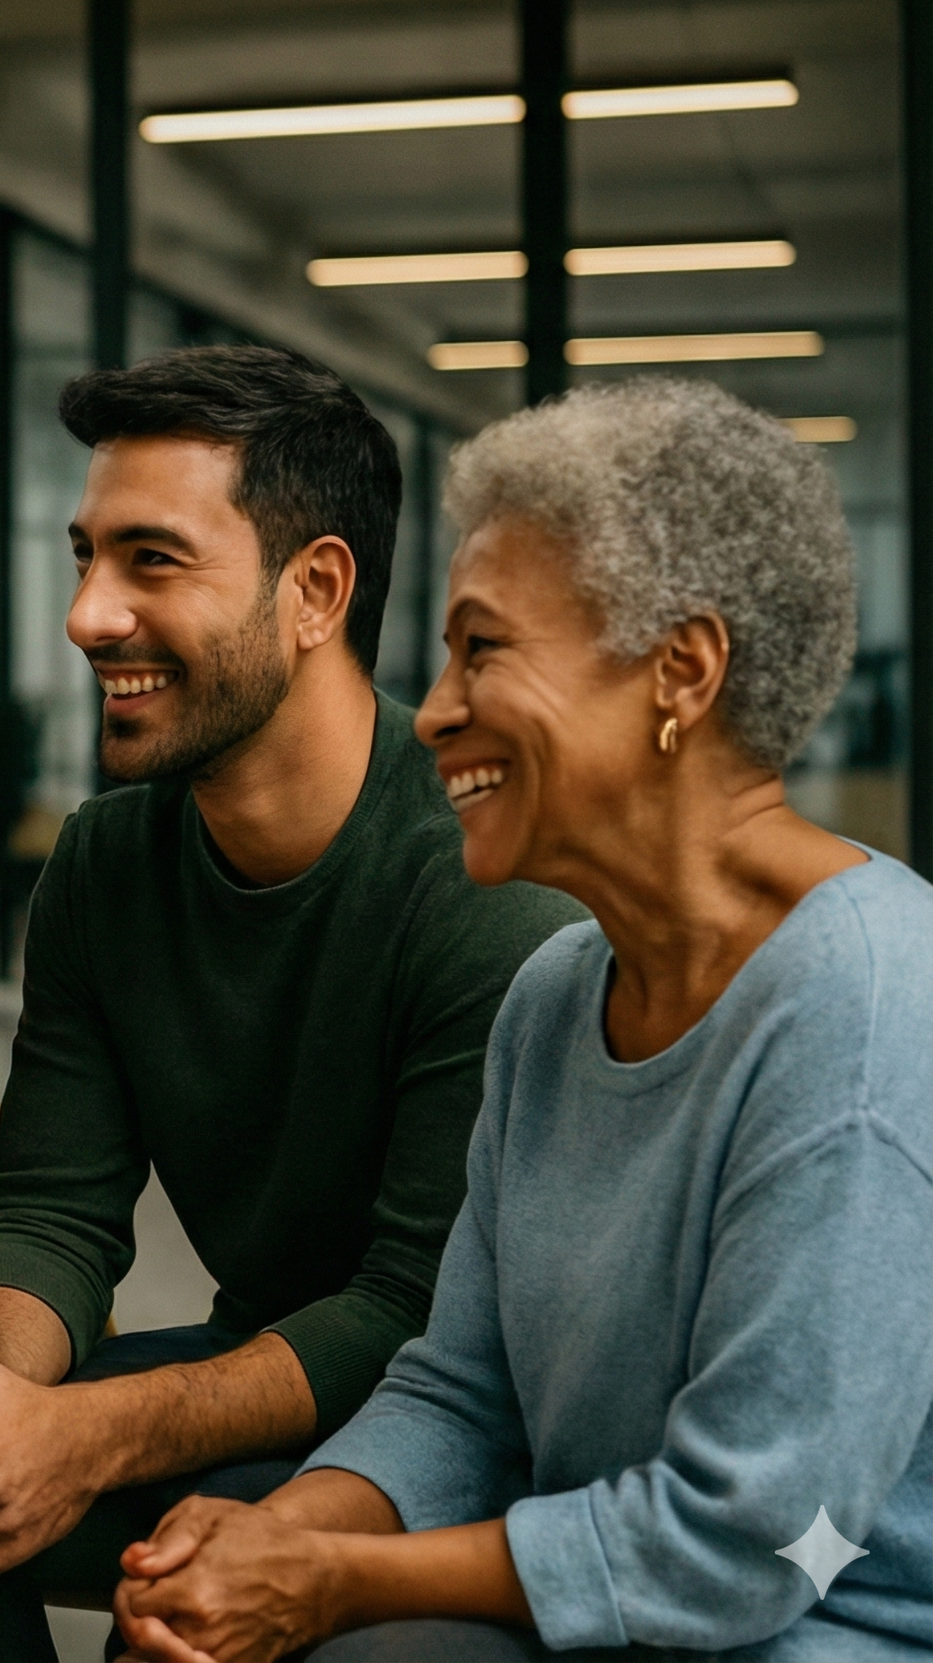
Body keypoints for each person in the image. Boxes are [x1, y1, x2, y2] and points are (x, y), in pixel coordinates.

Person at [109, 378, 933, 1663]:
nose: (431, 709)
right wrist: (284, 1535)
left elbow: (754, 1540)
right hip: (599, 1614)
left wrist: (331, 1584)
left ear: (683, 672)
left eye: (482, 649)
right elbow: (458, 1393)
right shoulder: (552, 997)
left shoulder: (870, 1005)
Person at [0, 345, 584, 1659]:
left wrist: (97, 1433)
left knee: (174, 1600)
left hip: (462, 1440)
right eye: (84, 557)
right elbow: (51, 1211)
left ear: (317, 591)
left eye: (151, 561)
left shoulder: (483, 876)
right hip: (261, 1386)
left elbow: (418, 1311)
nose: (85, 615)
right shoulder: (105, 864)